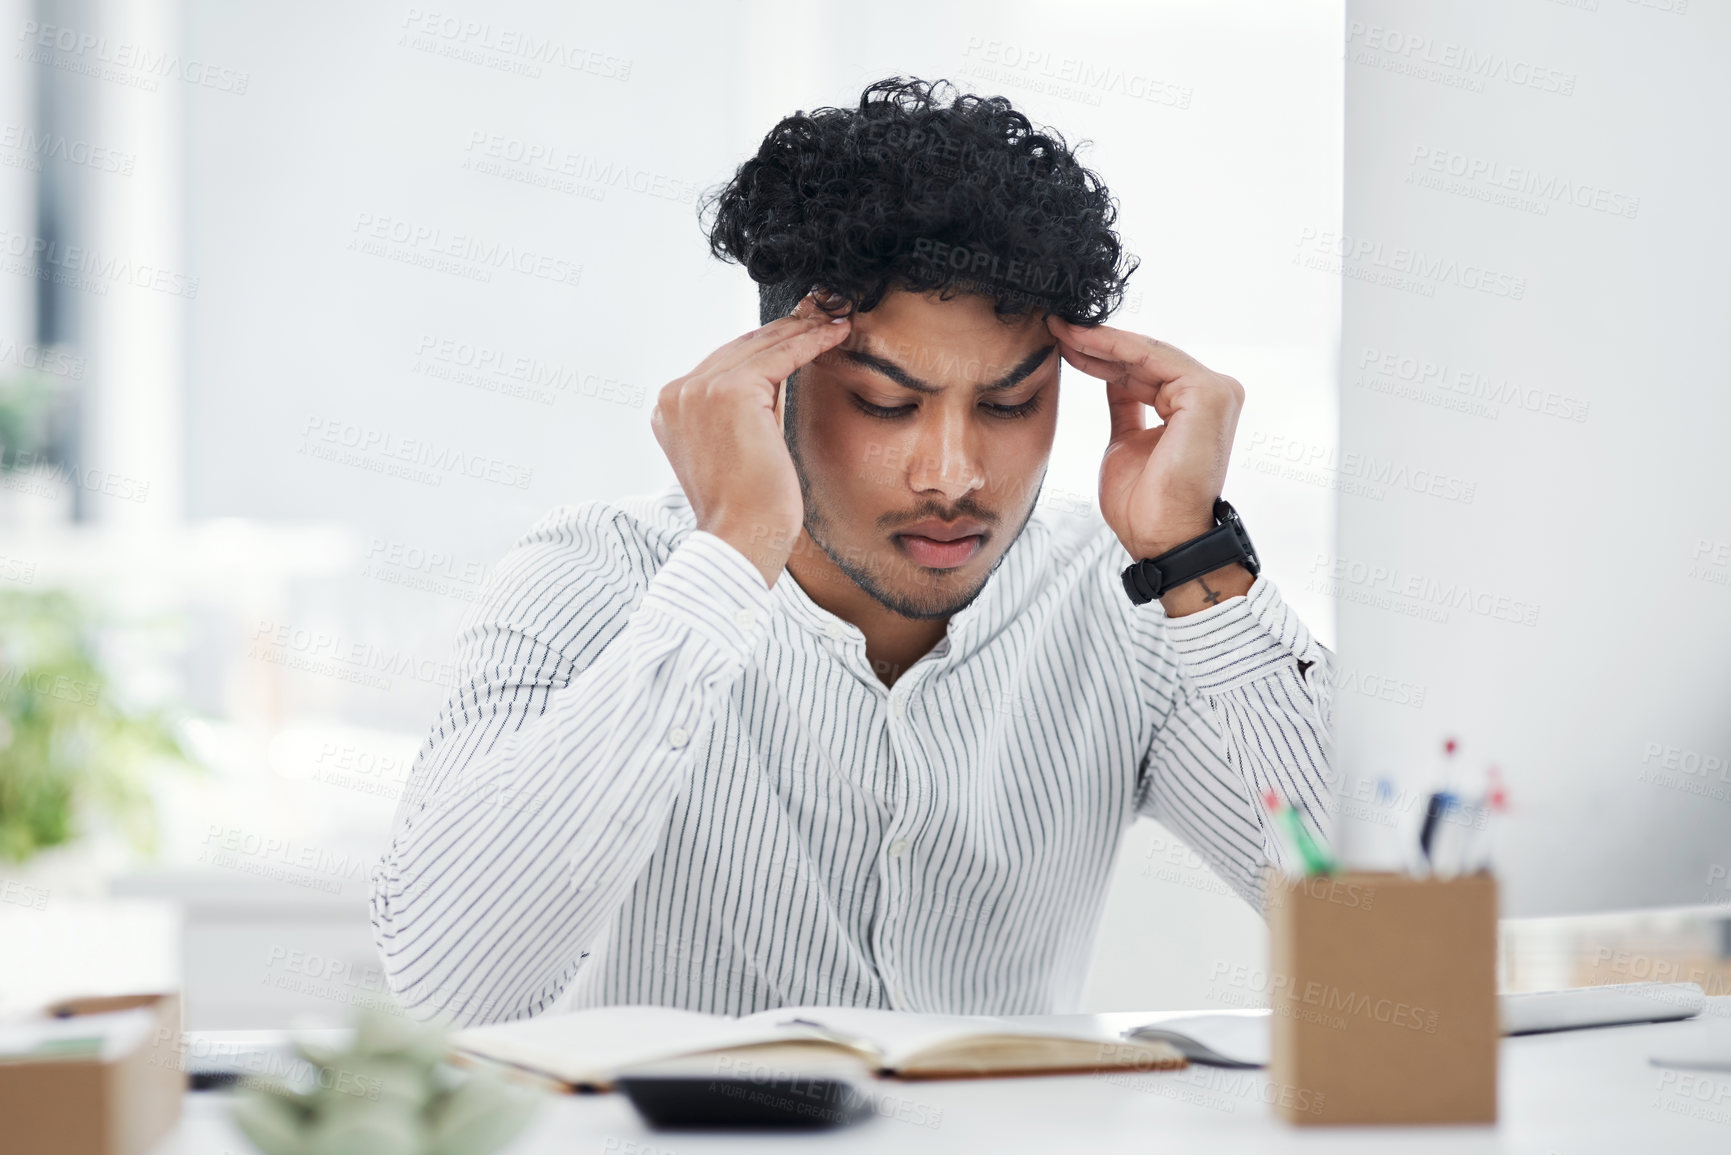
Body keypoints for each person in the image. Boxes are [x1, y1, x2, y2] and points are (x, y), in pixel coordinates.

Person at [370, 77, 1334, 1028]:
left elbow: (1383, 939)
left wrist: (1192, 559)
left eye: (1007, 405)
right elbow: (452, 988)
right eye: (886, 403)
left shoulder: (1122, 602)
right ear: (770, 381)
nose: (953, 474)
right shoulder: (588, 581)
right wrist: (729, 556)